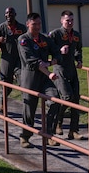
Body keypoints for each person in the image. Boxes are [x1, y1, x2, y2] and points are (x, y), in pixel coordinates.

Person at [17, 12, 62, 148]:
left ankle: (49, 134)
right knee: (29, 108)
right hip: (30, 78)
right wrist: (49, 66)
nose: (37, 27)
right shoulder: (23, 40)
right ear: (27, 24)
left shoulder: (45, 39)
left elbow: (57, 52)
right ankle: (25, 136)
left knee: (55, 100)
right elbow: (32, 62)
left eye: (39, 24)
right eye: (34, 24)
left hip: (45, 78)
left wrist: (53, 60)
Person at [48, 10, 85, 140]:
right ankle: (58, 122)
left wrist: (79, 60)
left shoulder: (76, 35)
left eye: (71, 20)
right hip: (59, 69)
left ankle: (73, 130)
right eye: (67, 20)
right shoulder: (55, 34)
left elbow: (78, 50)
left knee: (76, 99)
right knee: (67, 97)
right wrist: (59, 50)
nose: (70, 23)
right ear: (61, 21)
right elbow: (48, 48)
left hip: (71, 69)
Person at [0, 7, 27, 111]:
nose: (9, 15)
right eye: (7, 13)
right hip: (7, 59)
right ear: (5, 15)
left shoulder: (22, 28)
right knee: (6, 85)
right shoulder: (0, 28)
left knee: (23, 83)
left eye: (11, 13)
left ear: (15, 14)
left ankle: (27, 108)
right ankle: (3, 104)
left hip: (19, 60)